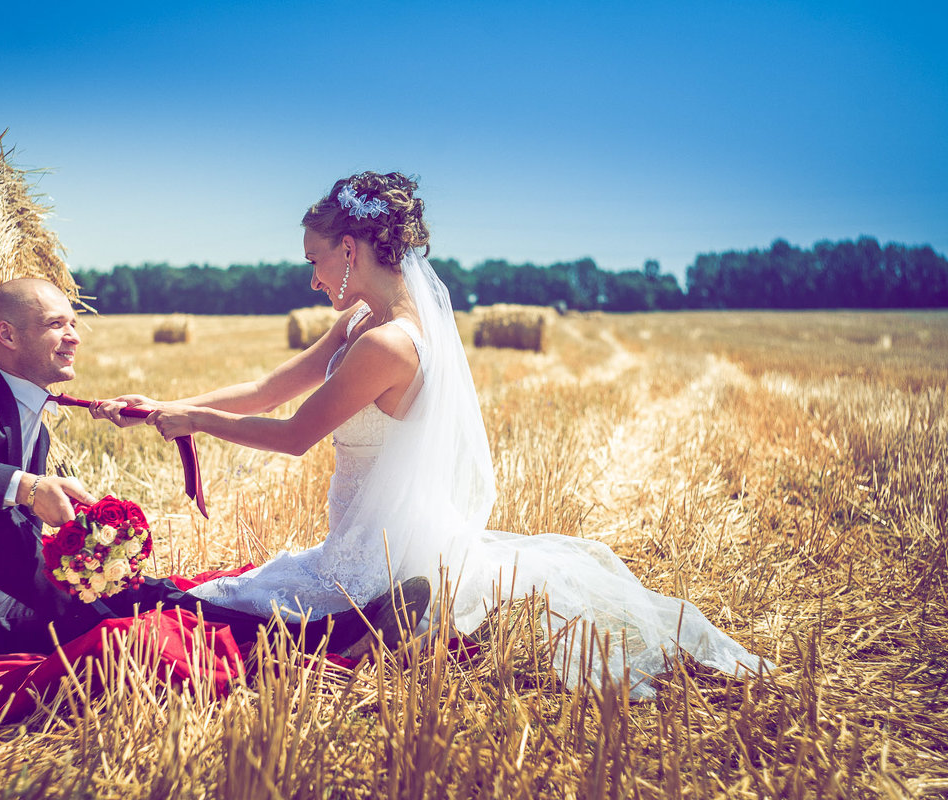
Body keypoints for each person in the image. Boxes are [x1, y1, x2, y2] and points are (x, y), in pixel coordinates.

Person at [92, 172, 768, 697]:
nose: (313, 276)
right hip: (354, 536)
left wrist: (194, 422)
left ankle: (394, 614)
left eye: (316, 259)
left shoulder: (390, 344)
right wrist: (164, 406)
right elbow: (271, 389)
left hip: (376, 554)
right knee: (222, 599)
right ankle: (391, 617)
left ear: (351, 250)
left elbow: (295, 433)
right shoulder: (358, 320)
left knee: (215, 617)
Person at [0, 277, 419, 677]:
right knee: (118, 615)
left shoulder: (38, 424)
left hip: (9, 599)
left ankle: (324, 637)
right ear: (6, 334)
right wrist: (29, 488)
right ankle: (303, 640)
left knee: (149, 596)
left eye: (73, 323)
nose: (74, 336)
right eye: (57, 324)